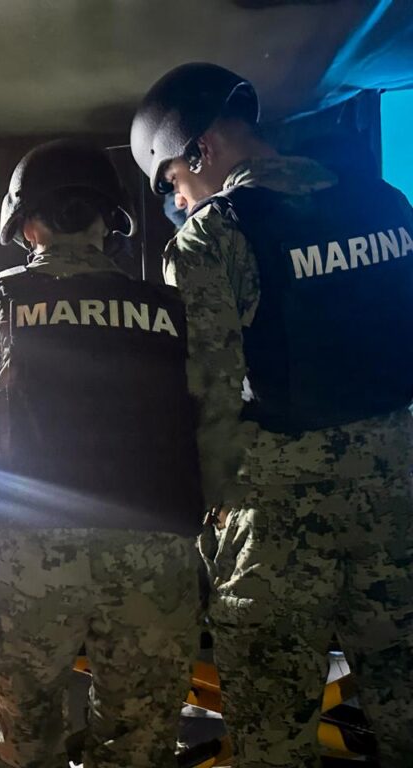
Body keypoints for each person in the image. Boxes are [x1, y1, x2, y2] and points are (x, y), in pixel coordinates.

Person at [131, 62, 413, 767]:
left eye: (172, 180)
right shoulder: (384, 201)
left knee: (273, 735)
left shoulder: (213, 237)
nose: (177, 200)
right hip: (398, 506)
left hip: (278, 525)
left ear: (201, 150)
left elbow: (205, 391)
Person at [0, 140, 211, 768]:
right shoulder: (170, 311)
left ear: (26, 224)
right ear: (109, 221)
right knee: (139, 747)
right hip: (154, 562)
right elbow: (209, 419)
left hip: (29, 558)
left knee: (24, 745)